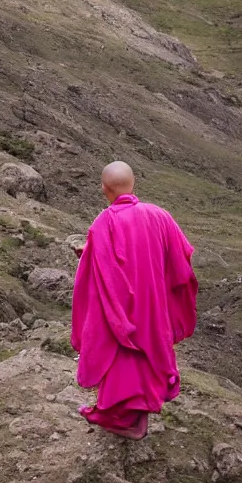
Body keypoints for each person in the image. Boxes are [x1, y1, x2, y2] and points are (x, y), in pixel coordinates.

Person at [70, 161, 198, 440]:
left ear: (104, 188)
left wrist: (87, 253)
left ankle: (124, 419)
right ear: (133, 183)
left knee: (124, 360)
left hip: (121, 310)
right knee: (148, 354)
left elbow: (103, 262)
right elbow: (181, 257)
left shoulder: (105, 221)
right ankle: (137, 421)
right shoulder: (159, 215)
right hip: (152, 306)